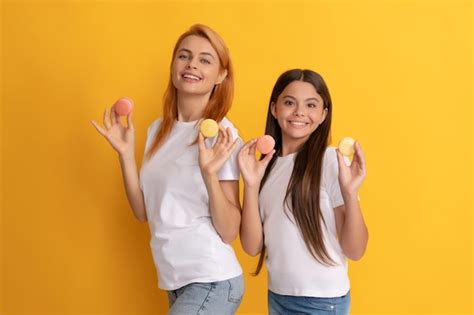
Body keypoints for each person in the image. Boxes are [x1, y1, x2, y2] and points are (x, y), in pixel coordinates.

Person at [91, 24, 244, 314]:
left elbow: (229, 231)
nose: (192, 65)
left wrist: (209, 173)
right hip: (174, 281)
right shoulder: (157, 131)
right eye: (184, 56)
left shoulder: (221, 134)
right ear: (174, 65)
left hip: (210, 278)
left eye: (205, 60)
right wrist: (124, 154)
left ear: (221, 75)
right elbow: (143, 212)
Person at [238, 69, 368, 314]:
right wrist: (251, 185)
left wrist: (350, 194)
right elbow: (252, 246)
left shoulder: (329, 161)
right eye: (289, 103)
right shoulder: (265, 167)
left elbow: (355, 250)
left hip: (321, 302)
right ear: (274, 108)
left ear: (323, 115)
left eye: (311, 105)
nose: (299, 112)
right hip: (278, 297)